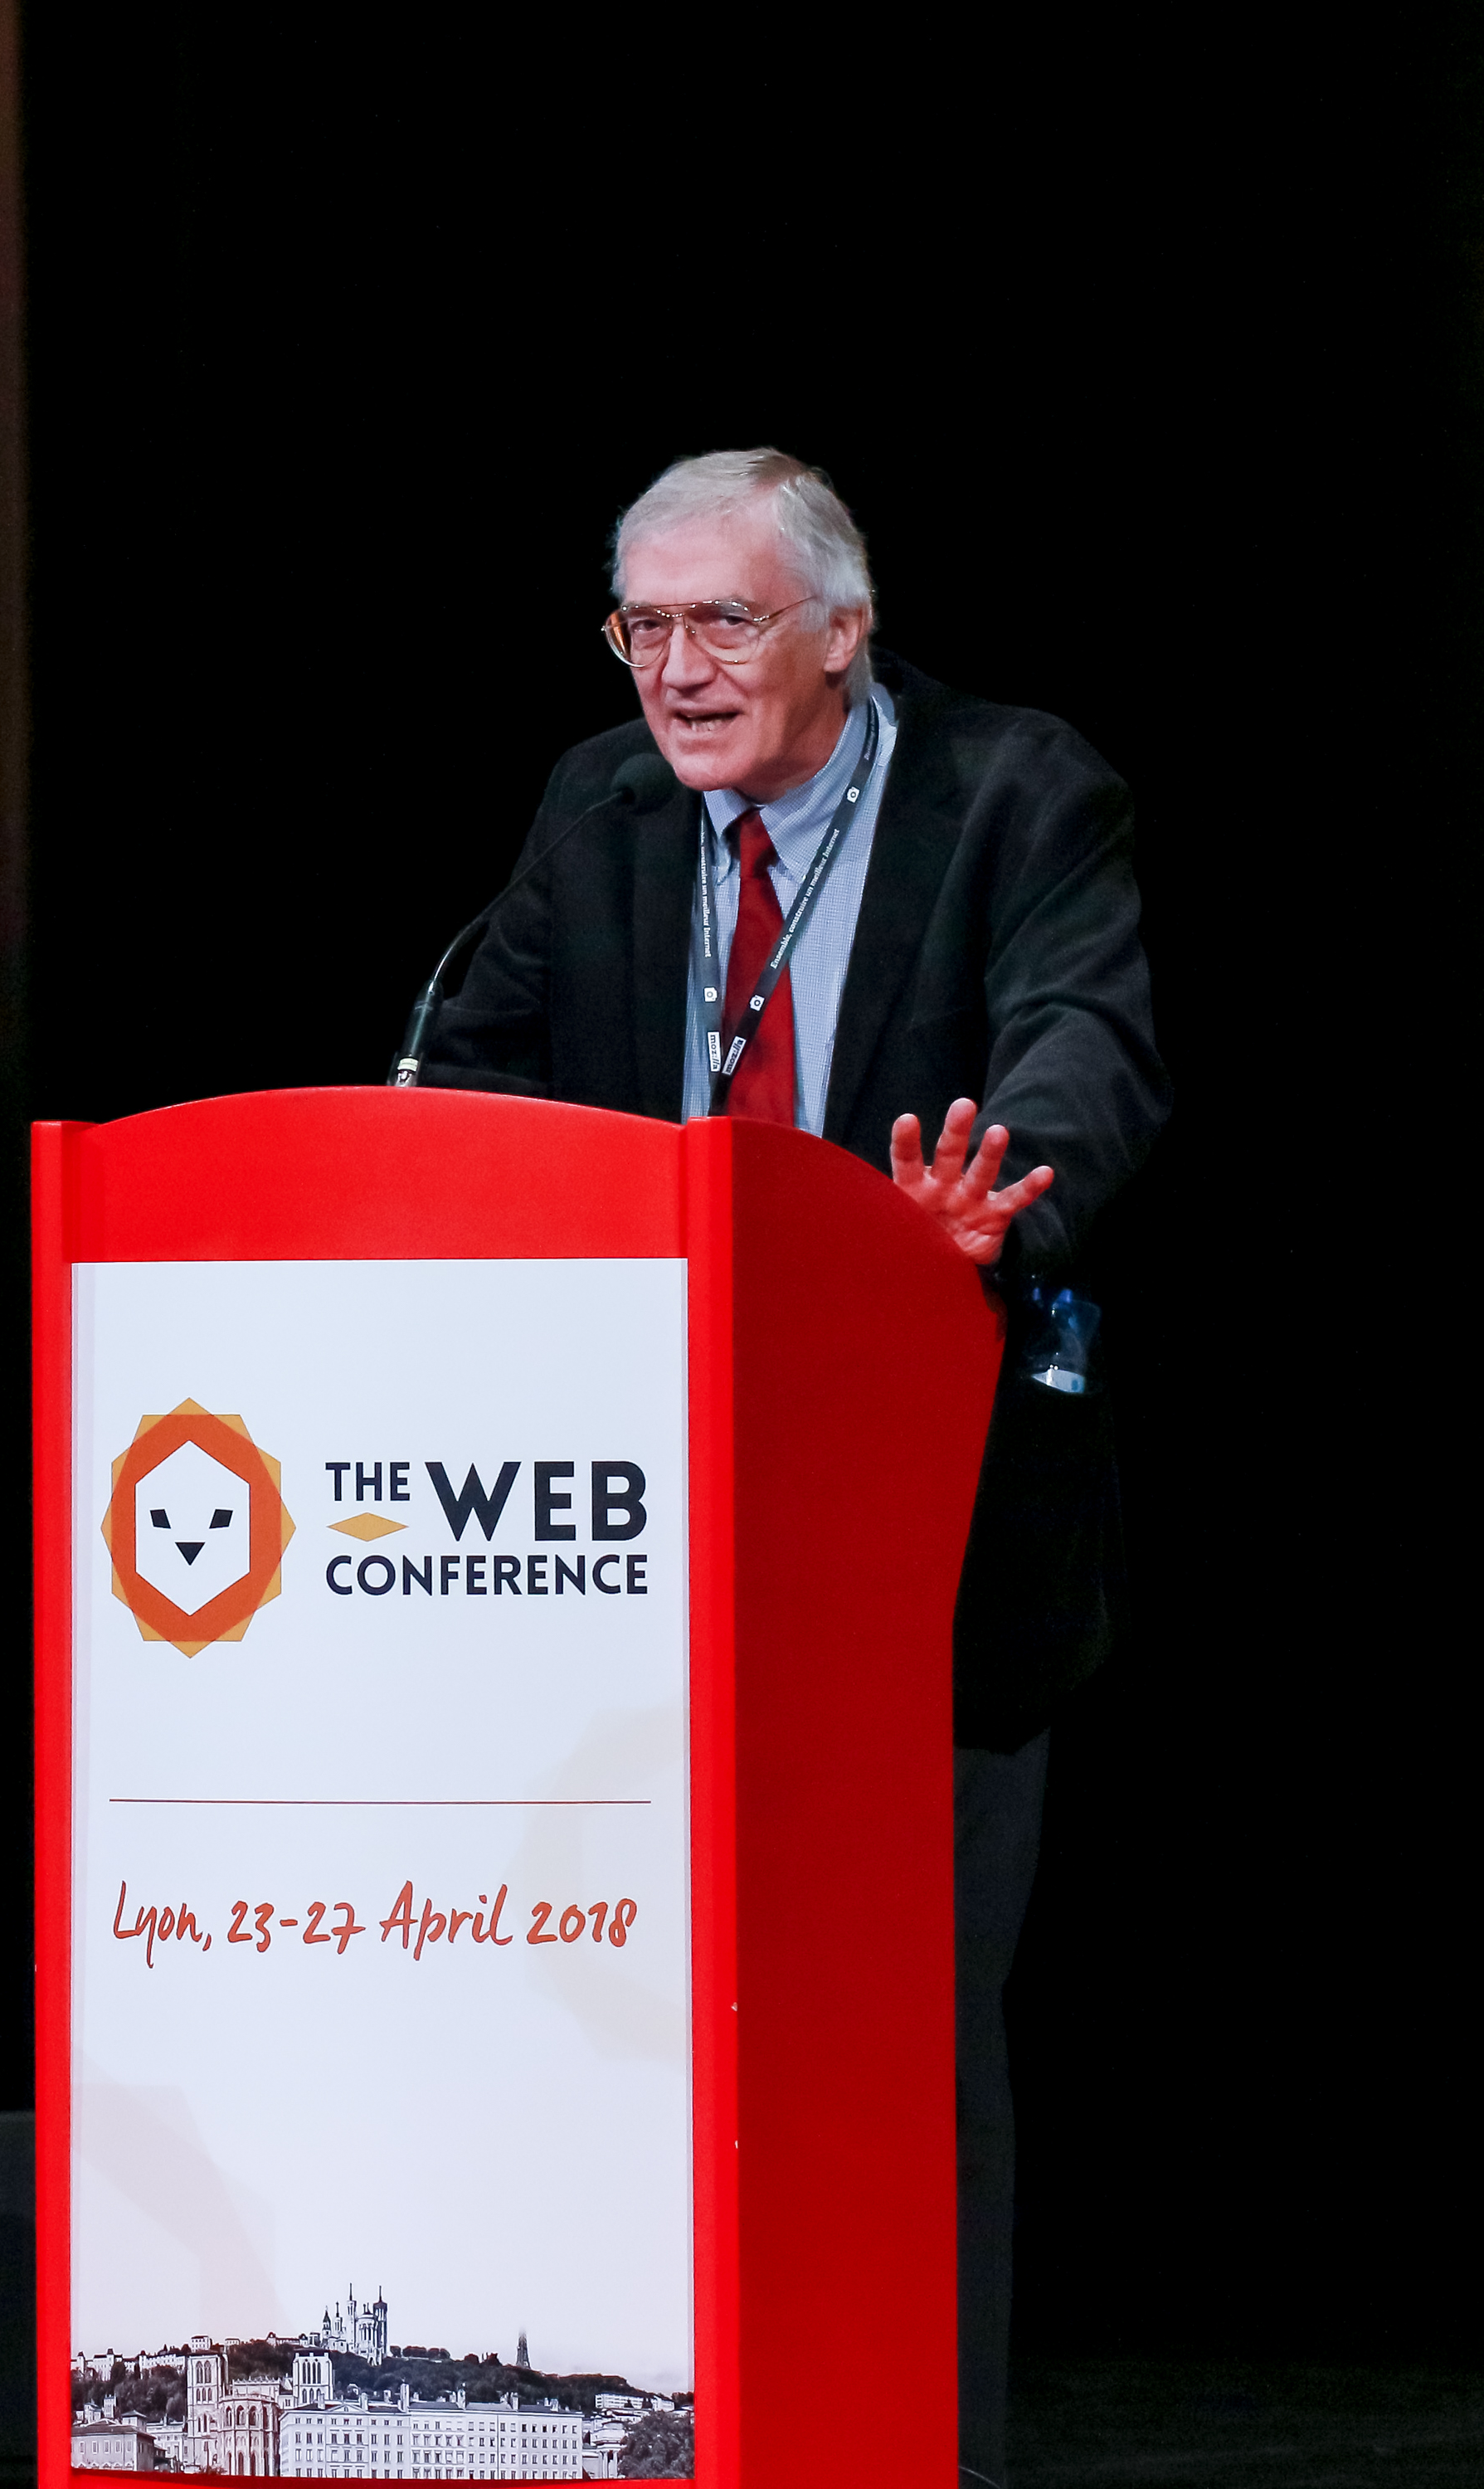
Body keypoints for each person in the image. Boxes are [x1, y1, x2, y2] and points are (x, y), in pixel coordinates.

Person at [416, 448, 1170, 2489]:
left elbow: (1088, 1048)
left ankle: (923, 2452)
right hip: (626, 1506)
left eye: (723, 621)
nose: (676, 669)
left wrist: (993, 1194)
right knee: (627, 2009)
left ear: (844, 628)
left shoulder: (1014, 791)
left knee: (899, 2021)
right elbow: (474, 1071)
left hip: (925, 1501)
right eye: (642, 625)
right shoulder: (602, 804)